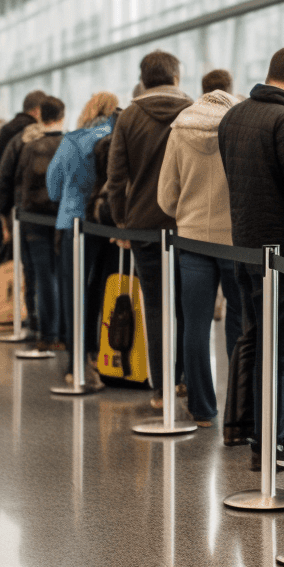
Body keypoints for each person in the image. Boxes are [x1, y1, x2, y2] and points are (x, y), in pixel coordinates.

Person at [218, 47, 284, 467]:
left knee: (263, 342)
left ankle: (268, 431)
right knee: (281, 352)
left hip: (245, 248)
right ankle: (271, 445)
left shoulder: (235, 116)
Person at [103, 51, 193, 402]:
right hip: (185, 225)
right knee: (186, 305)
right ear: (175, 77)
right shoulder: (191, 110)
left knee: (155, 304)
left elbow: (116, 177)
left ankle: (161, 388)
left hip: (142, 226)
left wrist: (121, 220)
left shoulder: (129, 116)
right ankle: (185, 378)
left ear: (143, 79)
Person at [160, 86, 242, 428]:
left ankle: (203, 409)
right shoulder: (237, 127)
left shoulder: (180, 129)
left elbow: (166, 194)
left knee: (195, 324)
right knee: (239, 325)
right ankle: (240, 411)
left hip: (192, 239)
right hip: (233, 240)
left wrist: (185, 214)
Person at [47, 94, 119, 381]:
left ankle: (75, 364)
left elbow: (53, 187)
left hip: (75, 223)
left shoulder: (73, 140)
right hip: (109, 224)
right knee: (103, 291)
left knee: (74, 292)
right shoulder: (117, 136)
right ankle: (101, 356)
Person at [0, 91, 45, 320]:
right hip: (7, 206)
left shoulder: (6, 129)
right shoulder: (24, 132)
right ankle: (4, 308)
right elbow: (5, 175)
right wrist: (4, 213)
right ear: (36, 111)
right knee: (7, 260)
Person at [10, 98, 68, 351]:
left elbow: (19, 182)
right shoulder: (69, 143)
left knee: (43, 277)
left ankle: (47, 333)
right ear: (62, 116)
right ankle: (66, 333)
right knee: (65, 275)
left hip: (33, 219)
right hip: (63, 219)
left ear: (40, 116)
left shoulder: (30, 147)